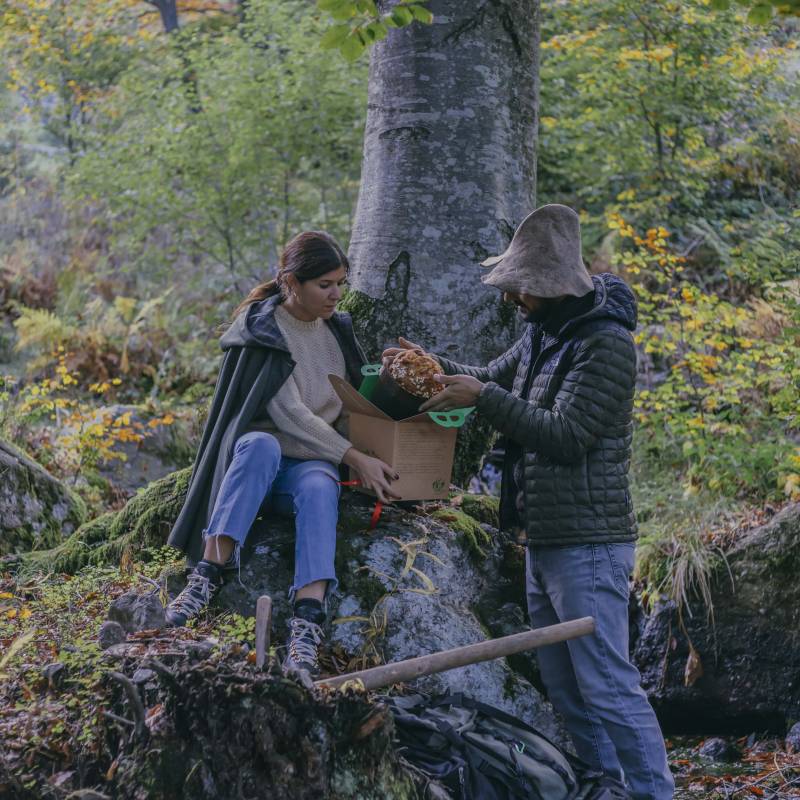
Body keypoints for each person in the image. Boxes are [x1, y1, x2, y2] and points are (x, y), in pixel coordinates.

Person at [383, 205, 675, 800]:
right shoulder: (546, 332)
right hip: (544, 537)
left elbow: (566, 436)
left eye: (521, 287)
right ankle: (608, 789)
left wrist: (483, 394)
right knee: (568, 689)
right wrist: (431, 369)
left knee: (608, 685)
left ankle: (654, 792)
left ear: (551, 286)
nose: (513, 297)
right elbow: (488, 376)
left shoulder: (606, 344)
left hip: (589, 543)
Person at [166, 230, 398, 677]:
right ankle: (208, 574)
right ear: (292, 282)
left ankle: (308, 618)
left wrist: (383, 444)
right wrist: (355, 456)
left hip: (305, 469)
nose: (335, 295)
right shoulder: (264, 329)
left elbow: (349, 407)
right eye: (325, 285)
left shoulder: (336, 331)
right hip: (256, 471)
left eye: (341, 284)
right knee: (259, 443)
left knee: (317, 483)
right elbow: (289, 413)